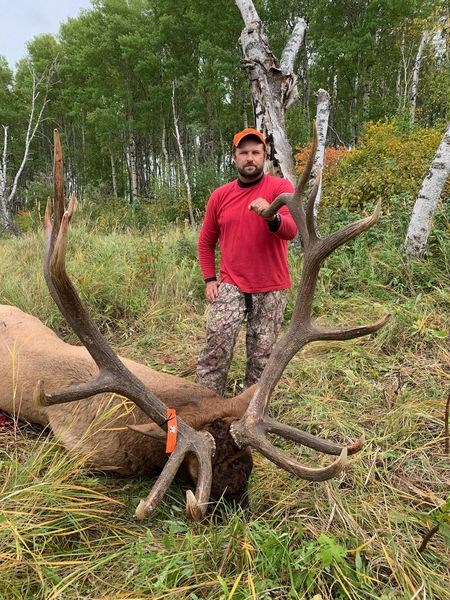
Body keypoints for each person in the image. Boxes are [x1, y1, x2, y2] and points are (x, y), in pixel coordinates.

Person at [195, 128, 297, 396]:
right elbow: (206, 242)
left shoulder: (280, 188)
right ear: (234, 157)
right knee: (215, 350)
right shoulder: (220, 196)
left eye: (255, 152)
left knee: (262, 358)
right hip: (231, 284)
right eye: (244, 153)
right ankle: (205, 408)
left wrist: (271, 215)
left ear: (264, 156)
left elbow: (291, 229)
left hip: (272, 287)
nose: (249, 158)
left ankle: (251, 414)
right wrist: (209, 279)